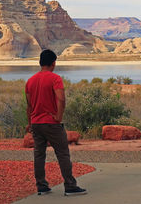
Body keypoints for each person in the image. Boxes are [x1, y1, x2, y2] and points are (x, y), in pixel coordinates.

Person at [25, 49, 87, 196]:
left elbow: (29, 105)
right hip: (51, 123)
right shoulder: (55, 78)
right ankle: (70, 186)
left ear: (40, 62)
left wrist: (30, 123)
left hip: (36, 123)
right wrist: (58, 116)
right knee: (63, 154)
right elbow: (61, 98)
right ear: (53, 63)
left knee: (39, 155)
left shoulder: (30, 81)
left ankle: (41, 186)